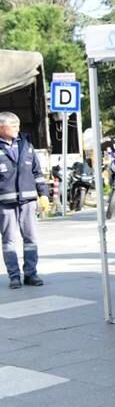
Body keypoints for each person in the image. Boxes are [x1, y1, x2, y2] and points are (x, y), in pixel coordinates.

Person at [0, 112, 48, 289]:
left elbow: (37, 172)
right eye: (13, 125)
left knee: (31, 239)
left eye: (18, 125)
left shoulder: (26, 145)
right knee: (9, 241)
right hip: (5, 203)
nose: (17, 128)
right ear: (1, 127)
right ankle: (14, 276)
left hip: (28, 200)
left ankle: (31, 274)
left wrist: (43, 194)